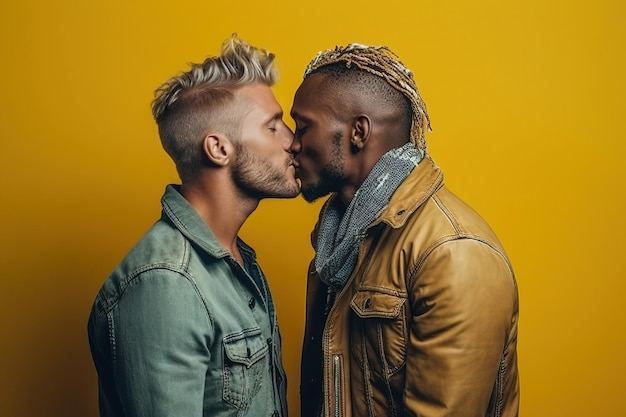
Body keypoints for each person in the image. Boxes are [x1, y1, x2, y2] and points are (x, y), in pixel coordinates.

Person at [290, 43, 519, 417]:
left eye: (303, 126)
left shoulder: (453, 252)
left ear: (357, 132)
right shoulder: (340, 244)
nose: (292, 144)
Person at [87, 35, 298, 417]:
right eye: (273, 126)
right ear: (219, 149)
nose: (293, 142)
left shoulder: (237, 263)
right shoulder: (166, 284)